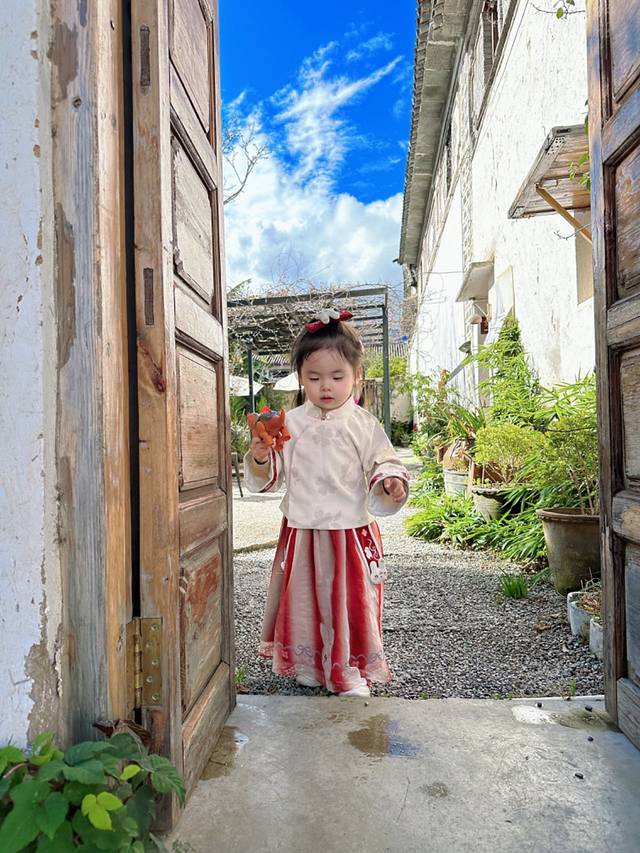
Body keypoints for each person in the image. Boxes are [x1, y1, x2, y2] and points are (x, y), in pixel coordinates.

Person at [244, 307, 409, 697]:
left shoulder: (362, 424)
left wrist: (390, 481)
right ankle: (310, 663)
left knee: (350, 600)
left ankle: (348, 667)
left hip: (349, 531)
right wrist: (261, 456)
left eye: (337, 376)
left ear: (356, 375)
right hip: (302, 530)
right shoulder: (290, 424)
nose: (326, 386)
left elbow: (384, 460)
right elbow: (273, 474)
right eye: (314, 377)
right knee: (302, 598)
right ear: (300, 378)